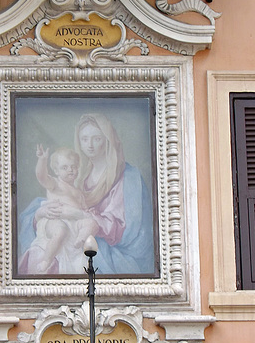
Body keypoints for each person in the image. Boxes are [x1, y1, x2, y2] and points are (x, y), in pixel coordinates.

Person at [18, 112, 154, 275]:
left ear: (107, 140)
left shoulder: (128, 177)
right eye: (84, 139)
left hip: (107, 249)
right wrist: (40, 213)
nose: (89, 145)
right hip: (68, 230)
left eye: (96, 139)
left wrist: (78, 214)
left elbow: (128, 232)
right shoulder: (79, 175)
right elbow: (53, 190)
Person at [30, 145, 98, 273]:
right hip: (55, 221)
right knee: (61, 230)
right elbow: (41, 176)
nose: (70, 170)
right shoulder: (55, 184)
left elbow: (83, 210)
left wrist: (87, 213)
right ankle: (47, 259)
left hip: (74, 223)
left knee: (92, 223)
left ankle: (81, 240)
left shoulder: (78, 192)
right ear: (56, 171)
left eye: (74, 166)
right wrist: (42, 160)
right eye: (65, 167)